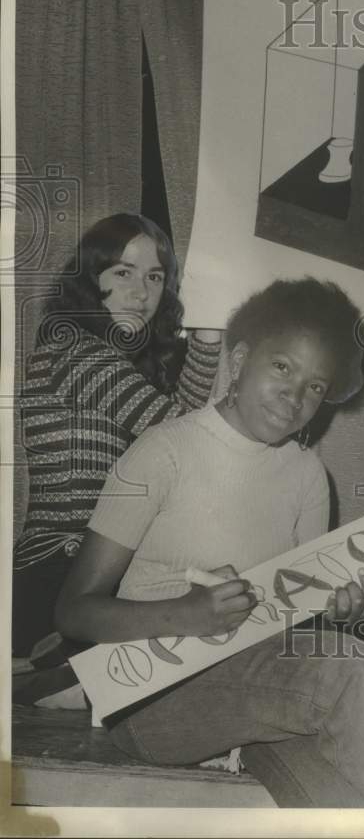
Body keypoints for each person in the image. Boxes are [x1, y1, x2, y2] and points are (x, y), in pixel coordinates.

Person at [55, 277, 364, 809]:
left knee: (345, 800)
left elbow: (306, 625)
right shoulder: (163, 453)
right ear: (238, 362)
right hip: (151, 698)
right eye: (283, 367)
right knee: (356, 667)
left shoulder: (307, 474)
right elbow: (74, 612)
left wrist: (344, 613)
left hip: (263, 693)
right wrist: (185, 614)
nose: (295, 395)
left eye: (315, 386)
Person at [13, 213, 222, 662]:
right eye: (123, 272)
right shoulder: (77, 353)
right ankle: (40, 674)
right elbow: (183, 434)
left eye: (154, 277)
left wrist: (207, 334)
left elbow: (178, 428)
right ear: (91, 278)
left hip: (91, 572)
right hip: (58, 575)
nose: (141, 293)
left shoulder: (109, 358)